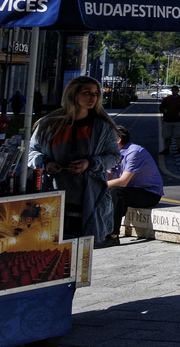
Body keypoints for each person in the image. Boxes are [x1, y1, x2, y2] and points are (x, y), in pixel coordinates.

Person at [27, 76, 121, 247]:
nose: (93, 97)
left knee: (81, 252)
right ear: (73, 94)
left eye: (95, 93)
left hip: (89, 200)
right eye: (87, 92)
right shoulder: (49, 125)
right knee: (50, 249)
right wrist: (46, 164)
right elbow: (31, 152)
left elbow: (114, 156)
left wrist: (90, 163)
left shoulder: (102, 127)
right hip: (52, 197)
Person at [103, 125, 163, 247]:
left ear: (118, 140)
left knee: (115, 192)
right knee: (104, 192)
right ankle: (100, 231)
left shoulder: (134, 152)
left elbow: (123, 181)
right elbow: (108, 175)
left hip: (150, 193)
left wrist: (101, 185)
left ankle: (113, 236)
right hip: (131, 190)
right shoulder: (116, 153)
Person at [158, 86, 180, 155]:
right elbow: (161, 107)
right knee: (167, 136)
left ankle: (179, 149)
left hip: (177, 121)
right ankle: (166, 149)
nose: (174, 92)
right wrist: (164, 110)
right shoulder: (167, 99)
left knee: (178, 136)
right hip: (167, 120)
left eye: (175, 90)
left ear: (178, 91)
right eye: (173, 90)